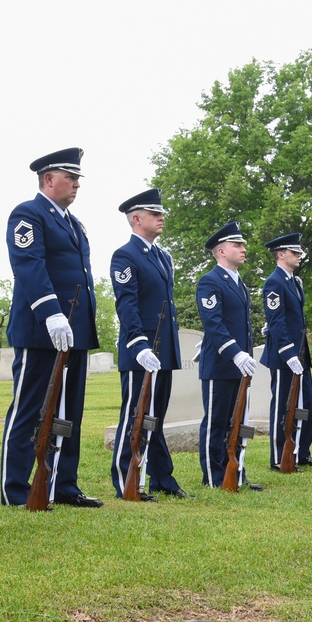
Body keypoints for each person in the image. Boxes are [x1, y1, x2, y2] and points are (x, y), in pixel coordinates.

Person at [0, 148, 102, 508]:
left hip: (74, 329)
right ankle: (14, 488)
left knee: (69, 411)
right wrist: (51, 313)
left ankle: (63, 483)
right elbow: (28, 265)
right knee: (29, 409)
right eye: (70, 177)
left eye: (77, 178)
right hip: (41, 328)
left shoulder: (75, 223)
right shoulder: (28, 214)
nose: (76, 184)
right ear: (48, 179)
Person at [109, 190, 189, 500]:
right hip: (140, 350)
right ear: (136, 218)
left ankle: (161, 479)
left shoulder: (162, 256)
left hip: (163, 348)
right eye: (154, 213)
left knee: (155, 417)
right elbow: (126, 304)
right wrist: (139, 344)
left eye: (161, 212)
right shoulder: (125, 255)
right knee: (135, 416)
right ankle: (125, 480)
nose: (161, 217)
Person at [195, 222, 262, 491]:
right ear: (221, 250)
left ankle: (236, 473)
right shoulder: (210, 281)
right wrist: (236, 354)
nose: (243, 249)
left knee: (237, 422)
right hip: (220, 365)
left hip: (239, 365)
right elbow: (214, 324)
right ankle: (213, 477)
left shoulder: (239, 283)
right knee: (216, 423)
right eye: (238, 245)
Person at [261, 233, 312, 471]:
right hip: (283, 355)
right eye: (294, 252)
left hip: (301, 353)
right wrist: (289, 354)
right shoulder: (274, 282)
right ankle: (279, 456)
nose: (299, 256)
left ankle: (302, 451)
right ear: (281, 254)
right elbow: (276, 322)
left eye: (299, 252)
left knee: (306, 401)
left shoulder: (295, 282)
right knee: (283, 405)